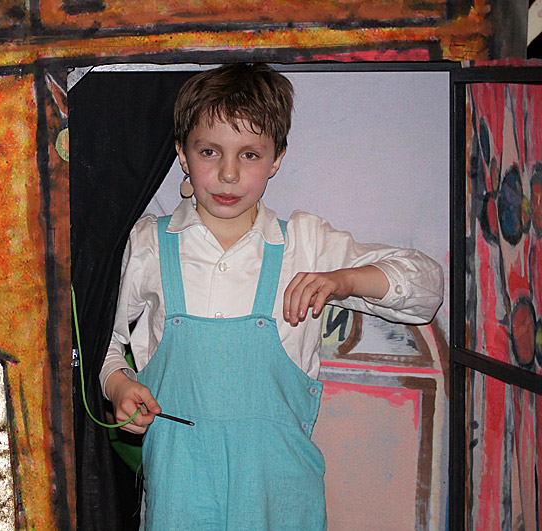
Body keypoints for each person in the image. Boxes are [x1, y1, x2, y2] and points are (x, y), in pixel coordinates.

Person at [99, 63, 444, 530]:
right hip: (178, 498)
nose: (228, 174)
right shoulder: (148, 245)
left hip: (281, 502)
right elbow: (105, 343)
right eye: (209, 151)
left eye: (250, 155)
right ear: (182, 153)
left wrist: (345, 280)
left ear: (277, 158)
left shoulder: (305, 243)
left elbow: (427, 290)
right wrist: (118, 385)